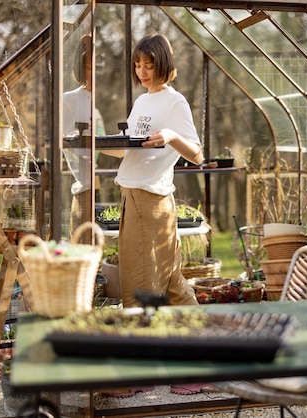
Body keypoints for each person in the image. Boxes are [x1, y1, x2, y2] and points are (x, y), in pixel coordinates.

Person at [110, 34, 204, 308]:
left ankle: (143, 345)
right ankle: (205, 336)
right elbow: (127, 149)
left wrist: (171, 137)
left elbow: (197, 156)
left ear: (163, 64)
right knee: (171, 281)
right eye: (138, 65)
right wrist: (88, 142)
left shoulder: (175, 102)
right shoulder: (141, 102)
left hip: (150, 201)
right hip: (132, 197)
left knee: (142, 285)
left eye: (148, 65)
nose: (142, 72)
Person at [62, 34, 106, 234]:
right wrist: (73, 140)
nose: (94, 72)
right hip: (84, 187)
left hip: (109, 182)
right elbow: (64, 139)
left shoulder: (104, 99)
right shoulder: (69, 100)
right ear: (80, 67)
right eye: (89, 66)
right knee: (83, 246)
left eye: (97, 66)